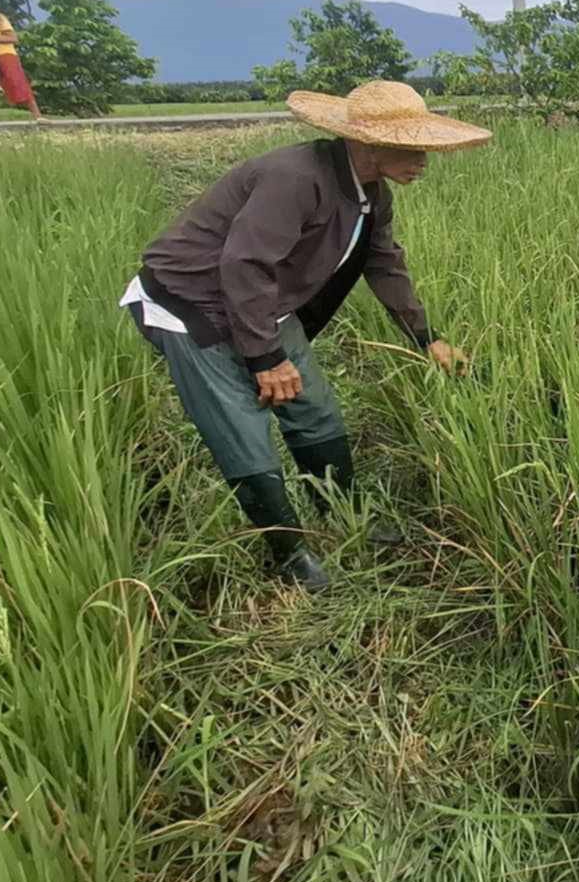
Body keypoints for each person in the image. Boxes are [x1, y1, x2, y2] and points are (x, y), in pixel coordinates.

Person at [120, 80, 491, 589]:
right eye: (411, 147)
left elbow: (383, 263)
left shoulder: (370, 193)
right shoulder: (296, 178)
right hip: (193, 303)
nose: (423, 160)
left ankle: (344, 512)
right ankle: (289, 555)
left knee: (313, 407)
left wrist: (427, 337)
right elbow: (244, 263)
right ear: (365, 142)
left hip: (262, 303)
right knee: (242, 429)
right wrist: (264, 359)